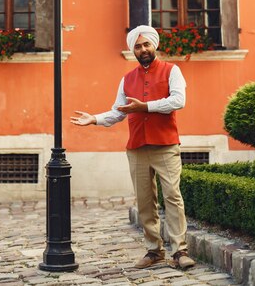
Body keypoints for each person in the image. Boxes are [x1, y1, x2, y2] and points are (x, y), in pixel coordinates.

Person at [70, 25, 195, 270]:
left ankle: (180, 250)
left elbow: (178, 101)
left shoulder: (172, 70)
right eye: (138, 46)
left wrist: (145, 107)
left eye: (146, 44)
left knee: (172, 196)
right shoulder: (127, 79)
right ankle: (154, 250)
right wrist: (94, 118)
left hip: (165, 144)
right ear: (133, 51)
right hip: (137, 146)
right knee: (145, 200)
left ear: (154, 45)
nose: (143, 49)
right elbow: (118, 112)